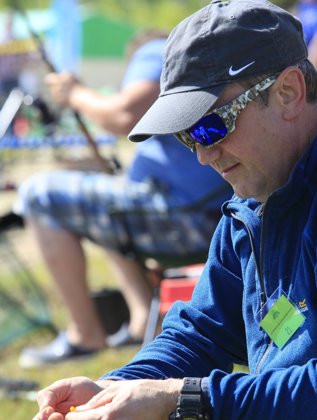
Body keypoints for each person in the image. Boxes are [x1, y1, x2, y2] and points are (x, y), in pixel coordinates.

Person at [33, 1, 317, 419]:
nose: (203, 154)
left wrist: (185, 398)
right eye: (187, 135)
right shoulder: (256, 193)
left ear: (288, 92)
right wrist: (112, 390)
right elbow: (199, 334)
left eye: (211, 125)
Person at [16, 30, 231, 368]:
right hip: (205, 214)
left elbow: (124, 116)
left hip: (184, 216)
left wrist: (75, 93)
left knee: (38, 193)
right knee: (103, 203)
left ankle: (85, 334)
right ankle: (143, 318)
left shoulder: (156, 50)